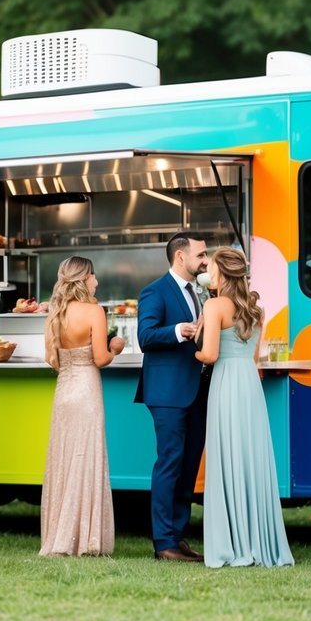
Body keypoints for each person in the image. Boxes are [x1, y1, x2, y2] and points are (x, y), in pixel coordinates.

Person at [196, 246, 294, 568]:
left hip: (225, 383)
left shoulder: (214, 306)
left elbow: (210, 355)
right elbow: (254, 357)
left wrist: (191, 347)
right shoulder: (255, 309)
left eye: (211, 268)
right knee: (251, 458)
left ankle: (234, 542)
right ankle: (257, 539)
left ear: (220, 273)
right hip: (250, 385)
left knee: (228, 457)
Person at [39, 257, 126, 557]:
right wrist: (116, 347)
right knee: (86, 457)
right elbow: (100, 358)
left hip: (64, 391)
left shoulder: (56, 313)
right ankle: (85, 538)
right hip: (87, 389)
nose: (97, 282)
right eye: (94, 276)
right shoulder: (94, 311)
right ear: (84, 278)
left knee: (64, 459)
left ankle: (61, 535)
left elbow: (52, 359)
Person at [135, 230, 209, 562]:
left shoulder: (202, 292)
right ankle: (163, 542)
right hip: (167, 393)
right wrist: (181, 330)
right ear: (181, 256)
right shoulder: (154, 291)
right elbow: (146, 336)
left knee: (189, 466)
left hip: (198, 390)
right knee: (169, 464)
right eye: (201, 255)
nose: (206, 260)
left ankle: (178, 537)